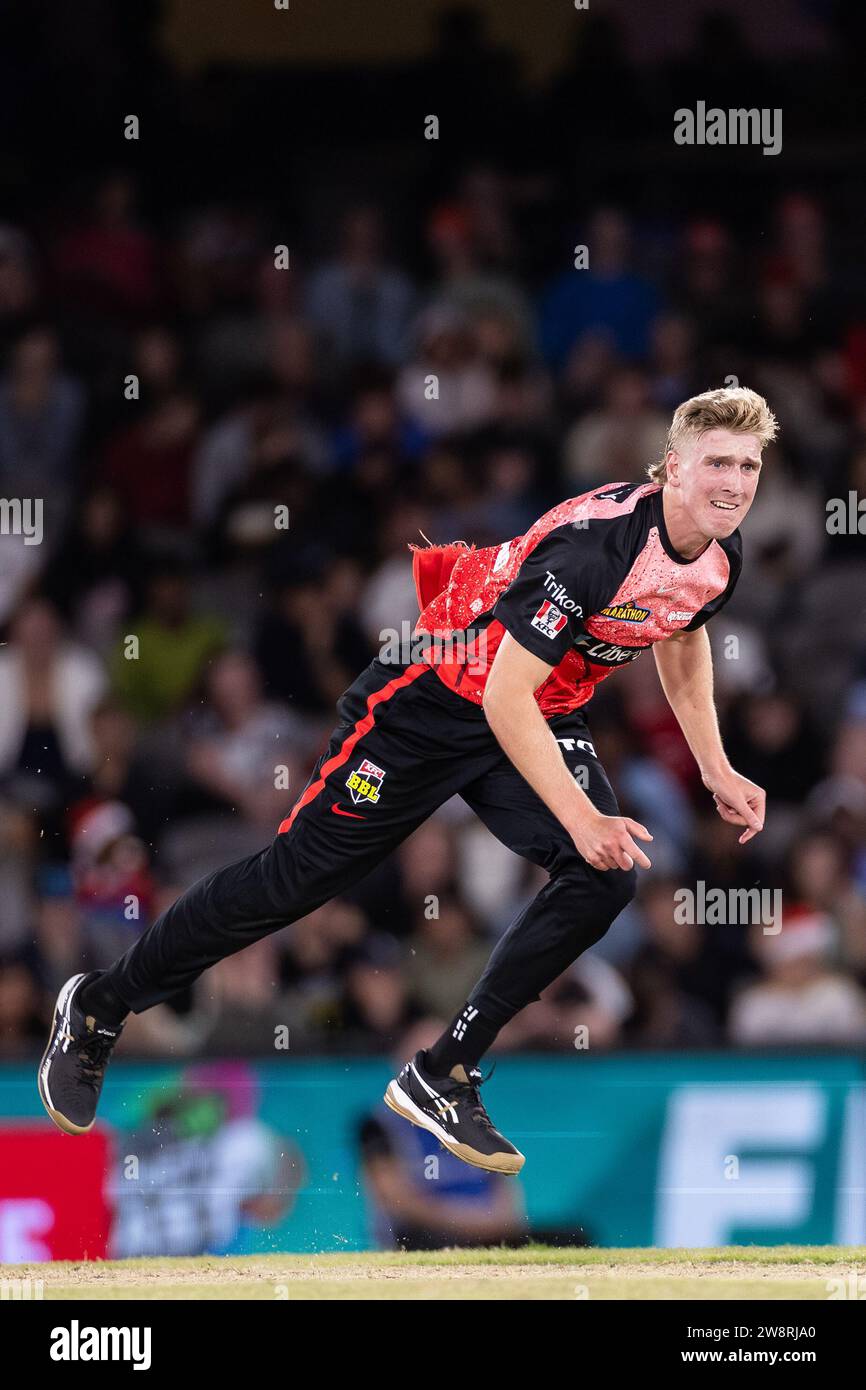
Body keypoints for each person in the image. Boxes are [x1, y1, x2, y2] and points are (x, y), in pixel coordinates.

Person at [39, 386, 772, 1177]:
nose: (734, 482)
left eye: (749, 465)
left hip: (537, 705)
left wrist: (714, 764)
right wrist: (581, 815)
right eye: (717, 463)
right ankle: (98, 1008)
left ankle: (444, 1073)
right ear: (672, 468)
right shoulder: (594, 549)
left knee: (605, 878)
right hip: (434, 697)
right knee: (293, 882)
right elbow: (500, 695)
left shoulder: (719, 560)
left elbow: (680, 633)